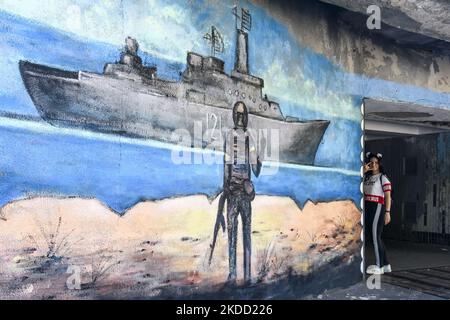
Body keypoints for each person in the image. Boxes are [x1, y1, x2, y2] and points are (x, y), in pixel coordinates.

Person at [223, 101, 264, 285]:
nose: (240, 118)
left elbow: (255, 169)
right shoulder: (229, 137)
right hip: (232, 193)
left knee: (246, 234)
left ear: (246, 117)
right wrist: (225, 188)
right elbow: (226, 164)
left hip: (245, 194)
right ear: (234, 115)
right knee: (232, 235)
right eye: (237, 114)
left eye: (243, 114)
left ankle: (247, 275)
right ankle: (232, 275)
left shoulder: (250, 140)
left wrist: (258, 158)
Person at [363, 152, 392, 275]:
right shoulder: (366, 177)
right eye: (371, 162)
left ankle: (379, 265)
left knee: (376, 237)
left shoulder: (383, 178)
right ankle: (386, 265)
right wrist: (364, 171)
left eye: (376, 162)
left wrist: (387, 212)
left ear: (379, 164)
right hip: (368, 206)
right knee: (374, 236)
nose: (374, 164)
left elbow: (388, 196)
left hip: (378, 207)